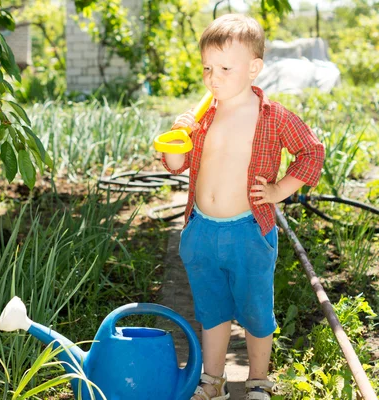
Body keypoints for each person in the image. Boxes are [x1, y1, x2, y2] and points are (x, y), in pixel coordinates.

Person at [159, 14, 325, 400]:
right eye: (207, 68)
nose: (213, 78)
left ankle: (257, 380)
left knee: (255, 311)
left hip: (249, 229)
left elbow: (311, 152)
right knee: (212, 309)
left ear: (254, 68)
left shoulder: (272, 115)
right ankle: (213, 380)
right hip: (202, 228)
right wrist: (175, 141)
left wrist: (281, 188)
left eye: (224, 68)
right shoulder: (204, 116)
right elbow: (177, 165)